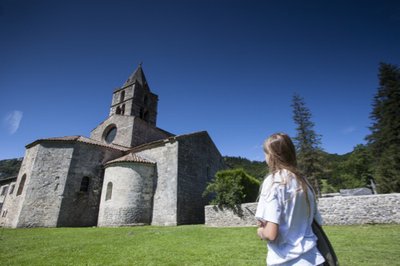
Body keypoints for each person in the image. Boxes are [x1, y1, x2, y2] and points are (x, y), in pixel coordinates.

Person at [255, 133, 325, 266]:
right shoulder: (304, 182)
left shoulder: (274, 181)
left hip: (287, 260)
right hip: (314, 258)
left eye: (265, 153)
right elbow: (317, 223)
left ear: (271, 155)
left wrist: (260, 232)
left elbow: (271, 234)